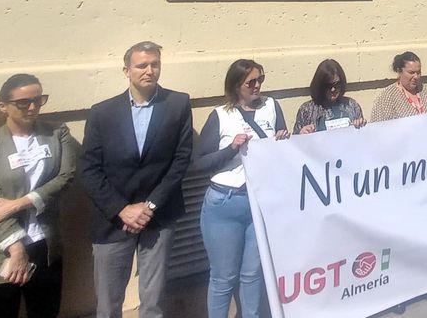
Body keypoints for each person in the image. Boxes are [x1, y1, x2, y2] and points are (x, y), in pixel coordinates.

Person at [79, 41, 193, 318]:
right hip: (113, 219)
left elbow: (181, 160)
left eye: (155, 64)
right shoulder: (102, 112)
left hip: (159, 215)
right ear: (126, 70)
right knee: (108, 305)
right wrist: (122, 209)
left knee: (153, 303)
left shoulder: (178, 103)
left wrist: (150, 205)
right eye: (142, 65)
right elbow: (88, 169)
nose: (149, 71)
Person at [193, 60, 289, 318]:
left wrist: (283, 141)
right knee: (224, 277)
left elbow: (282, 150)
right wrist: (231, 149)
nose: (257, 85)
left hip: (260, 202)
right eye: (251, 82)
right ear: (236, 86)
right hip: (226, 201)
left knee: (253, 274)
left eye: (261, 79)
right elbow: (199, 163)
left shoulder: (271, 107)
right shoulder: (220, 115)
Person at [0, 74, 78, 318]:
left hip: (46, 243)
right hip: (3, 247)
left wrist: (20, 203)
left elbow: (66, 177)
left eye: (38, 99)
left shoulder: (57, 133)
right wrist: (16, 248)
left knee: (45, 311)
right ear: (3, 107)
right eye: (23, 102)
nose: (32, 107)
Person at [293, 59, 365, 134]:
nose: (333, 89)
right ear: (320, 86)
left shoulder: (352, 105)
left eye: (336, 84)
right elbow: (294, 143)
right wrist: (301, 134)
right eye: (328, 86)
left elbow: (364, 140)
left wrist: (361, 126)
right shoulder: (306, 110)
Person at [371, 52, 427, 122]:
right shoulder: (388, 97)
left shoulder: (424, 89)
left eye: (418, 72)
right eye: (411, 72)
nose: (416, 76)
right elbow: (378, 127)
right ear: (399, 71)